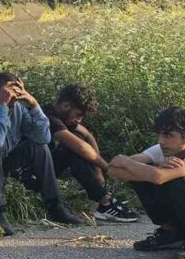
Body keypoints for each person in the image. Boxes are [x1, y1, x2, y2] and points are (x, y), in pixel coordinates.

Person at [0, 72, 82, 235]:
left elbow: (43, 138)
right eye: (8, 90)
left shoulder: (18, 108)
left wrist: (33, 104)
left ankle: (55, 204)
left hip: (4, 164)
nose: (12, 96)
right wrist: (2, 106)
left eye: (16, 91)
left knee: (40, 147)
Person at [44, 83, 138, 224]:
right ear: (65, 106)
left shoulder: (63, 116)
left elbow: (88, 136)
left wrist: (98, 171)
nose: (79, 119)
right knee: (73, 150)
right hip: (29, 171)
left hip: (47, 165)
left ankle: (104, 198)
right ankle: (105, 202)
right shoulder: (47, 116)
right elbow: (81, 148)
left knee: (79, 137)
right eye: (78, 115)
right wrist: (109, 169)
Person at [109, 106, 185, 259]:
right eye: (160, 134)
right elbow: (113, 169)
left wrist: (125, 160)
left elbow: (159, 177)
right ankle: (172, 233)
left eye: (168, 135)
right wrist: (149, 170)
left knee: (177, 179)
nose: (161, 141)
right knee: (141, 175)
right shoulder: (164, 148)